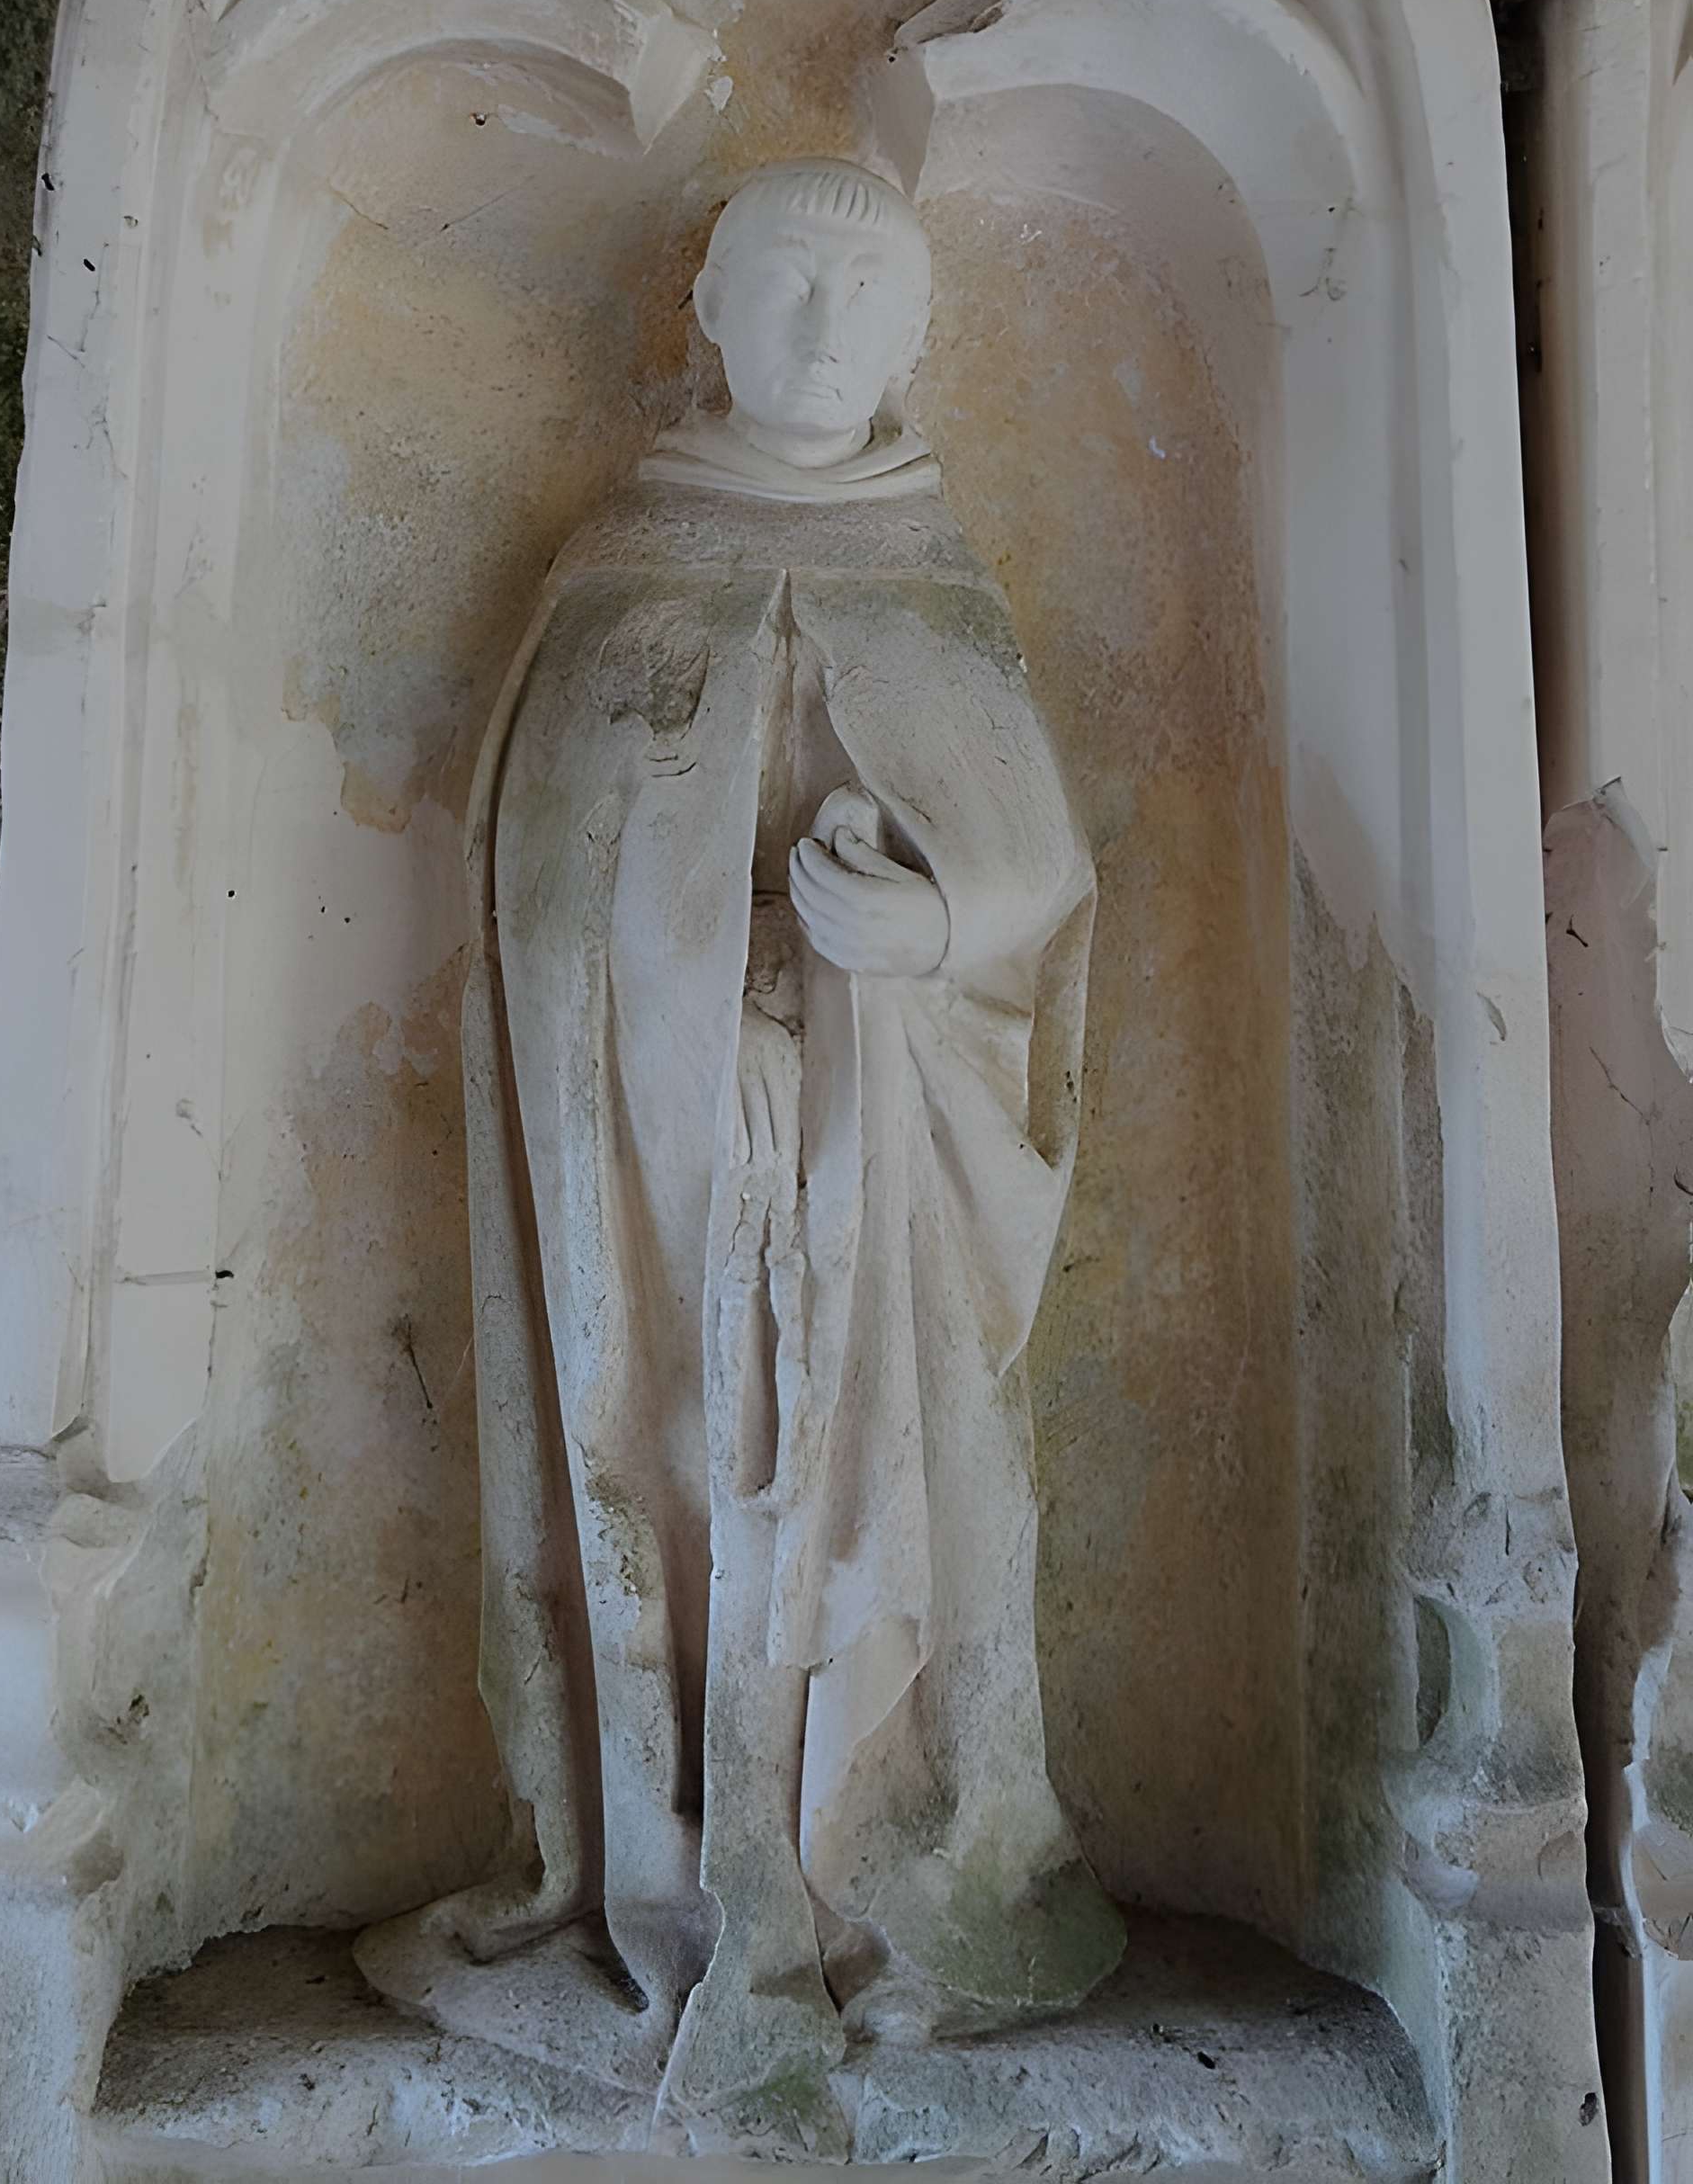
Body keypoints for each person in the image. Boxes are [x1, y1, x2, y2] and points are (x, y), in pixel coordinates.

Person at [357, 160, 1124, 2147]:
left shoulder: (931, 570)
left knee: (886, 1494)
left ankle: (880, 1870)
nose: (821, 332)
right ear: (705, 302)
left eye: (867, 301)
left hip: (881, 1176)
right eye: (784, 282)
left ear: (917, 338)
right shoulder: (618, 566)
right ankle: (684, 1864)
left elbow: (1036, 874)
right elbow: (540, 871)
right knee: (676, 1469)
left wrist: (931, 929)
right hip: (658, 1162)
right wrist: (676, 996)